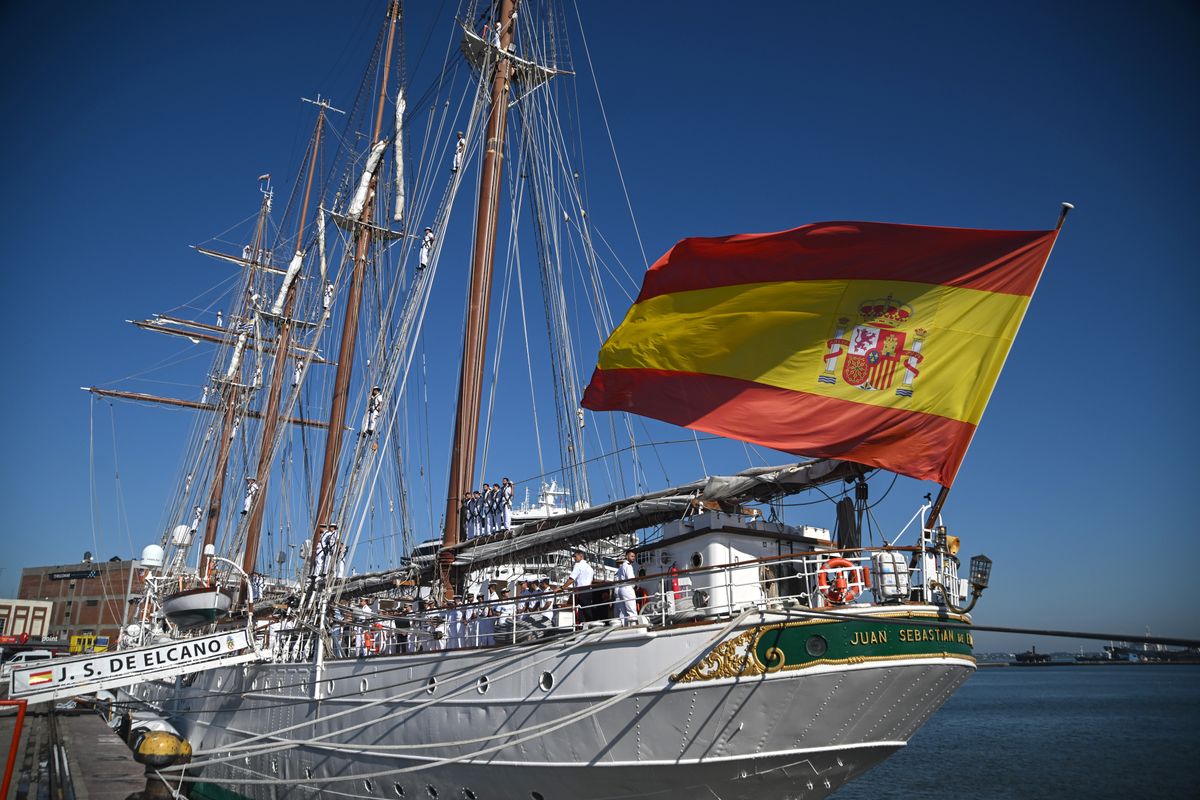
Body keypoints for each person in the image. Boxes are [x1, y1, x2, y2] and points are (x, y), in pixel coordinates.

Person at [561, 550, 594, 625]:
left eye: (575, 557)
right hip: (588, 590)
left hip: (581, 590)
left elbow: (571, 579)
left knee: (580, 610)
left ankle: (582, 626)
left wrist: (562, 587)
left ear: (581, 556)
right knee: (587, 609)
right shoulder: (589, 567)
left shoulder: (578, 565)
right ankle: (589, 624)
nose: (574, 559)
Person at [615, 549, 638, 625]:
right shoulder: (628, 566)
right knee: (631, 609)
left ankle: (624, 625)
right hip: (627, 588)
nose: (633, 558)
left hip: (621, 589)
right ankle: (633, 626)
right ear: (626, 556)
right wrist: (636, 584)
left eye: (634, 556)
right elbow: (631, 578)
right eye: (631, 556)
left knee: (623, 610)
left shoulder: (621, 567)